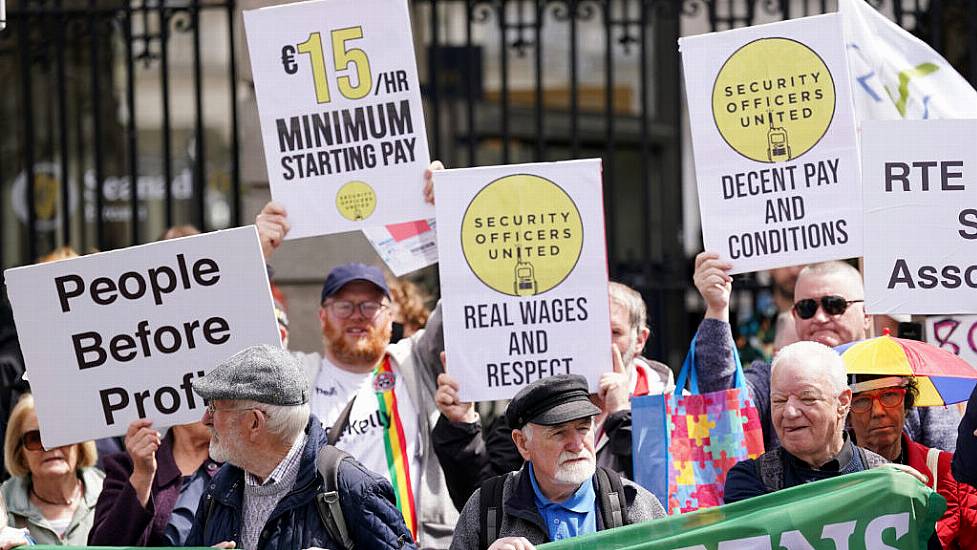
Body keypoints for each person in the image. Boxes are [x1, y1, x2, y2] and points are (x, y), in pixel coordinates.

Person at [255, 162, 457, 548]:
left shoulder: (414, 363)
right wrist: (258, 255)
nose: (357, 317)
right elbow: (251, 347)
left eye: (370, 306)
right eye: (344, 305)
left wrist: (450, 218)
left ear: (391, 316)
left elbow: (459, 310)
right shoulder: (299, 375)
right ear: (321, 316)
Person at [431, 281, 674, 510]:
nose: (599, 342)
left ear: (640, 340)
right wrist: (461, 426)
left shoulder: (669, 402)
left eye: (614, 331)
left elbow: (664, 497)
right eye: (588, 328)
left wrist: (622, 417)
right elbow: (484, 501)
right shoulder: (538, 401)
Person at [692, 254, 962, 451]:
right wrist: (717, 309)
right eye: (807, 308)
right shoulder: (773, 377)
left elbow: (946, 467)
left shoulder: (905, 373)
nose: (820, 318)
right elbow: (722, 402)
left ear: (866, 314)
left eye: (834, 305)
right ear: (794, 315)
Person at [185, 344, 415, 549]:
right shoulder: (221, 487)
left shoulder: (350, 486)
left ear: (255, 422)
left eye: (214, 407)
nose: (205, 419)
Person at [450, 374, 665, 550]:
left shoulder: (634, 503)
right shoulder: (486, 507)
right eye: (559, 433)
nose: (577, 444)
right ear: (523, 443)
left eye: (583, 428)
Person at [723, 341, 891, 503]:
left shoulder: (883, 480)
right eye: (779, 401)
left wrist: (901, 485)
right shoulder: (750, 480)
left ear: (843, 402)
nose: (789, 412)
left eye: (807, 398)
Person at [847, 375, 977, 549]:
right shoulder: (831, 481)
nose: (878, 411)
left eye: (889, 395)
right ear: (846, 412)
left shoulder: (946, 471)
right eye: (862, 401)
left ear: (906, 404)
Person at [88, 418, 219, 546]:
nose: (211, 412)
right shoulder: (128, 466)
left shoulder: (235, 465)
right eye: (206, 401)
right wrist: (142, 475)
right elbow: (105, 544)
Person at [1, 394, 103, 544]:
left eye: (62, 434)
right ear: (19, 451)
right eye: (35, 438)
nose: (50, 447)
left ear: (80, 445)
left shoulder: (114, 495)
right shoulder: (3, 504)